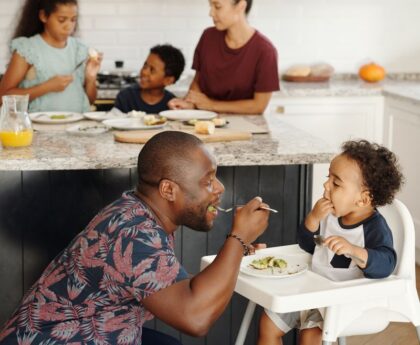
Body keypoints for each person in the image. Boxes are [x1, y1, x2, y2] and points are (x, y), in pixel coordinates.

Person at [0, 131, 270, 345]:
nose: (219, 188)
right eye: (208, 180)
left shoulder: (138, 212)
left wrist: (238, 249)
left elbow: (171, 288)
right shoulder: (133, 233)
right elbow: (195, 318)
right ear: (168, 189)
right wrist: (238, 238)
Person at [258, 140, 404, 345]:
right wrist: (313, 219)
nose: (326, 185)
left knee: (310, 338)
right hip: (311, 289)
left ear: (363, 199)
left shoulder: (375, 228)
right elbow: (309, 247)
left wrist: (354, 250)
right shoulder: (330, 213)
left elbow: (386, 264)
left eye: (336, 183)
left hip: (340, 302)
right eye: (328, 178)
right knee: (268, 324)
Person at [168, 0, 279, 115]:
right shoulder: (208, 37)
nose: (211, 13)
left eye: (217, 6)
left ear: (241, 6)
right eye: (211, 6)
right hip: (205, 121)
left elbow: (258, 106)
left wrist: (212, 105)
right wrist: (190, 103)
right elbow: (198, 81)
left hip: (245, 125)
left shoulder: (265, 51)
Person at [0, 0, 102, 113]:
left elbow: (90, 101)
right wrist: (46, 87)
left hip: (77, 127)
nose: (69, 26)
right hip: (40, 129)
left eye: (73, 19)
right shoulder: (28, 49)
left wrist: (90, 79)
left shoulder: (80, 50)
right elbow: (3, 98)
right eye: (61, 20)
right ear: (43, 16)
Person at [114, 44, 185, 114]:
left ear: (168, 80)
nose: (144, 72)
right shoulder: (126, 97)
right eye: (145, 66)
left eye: (152, 70)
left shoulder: (172, 105)